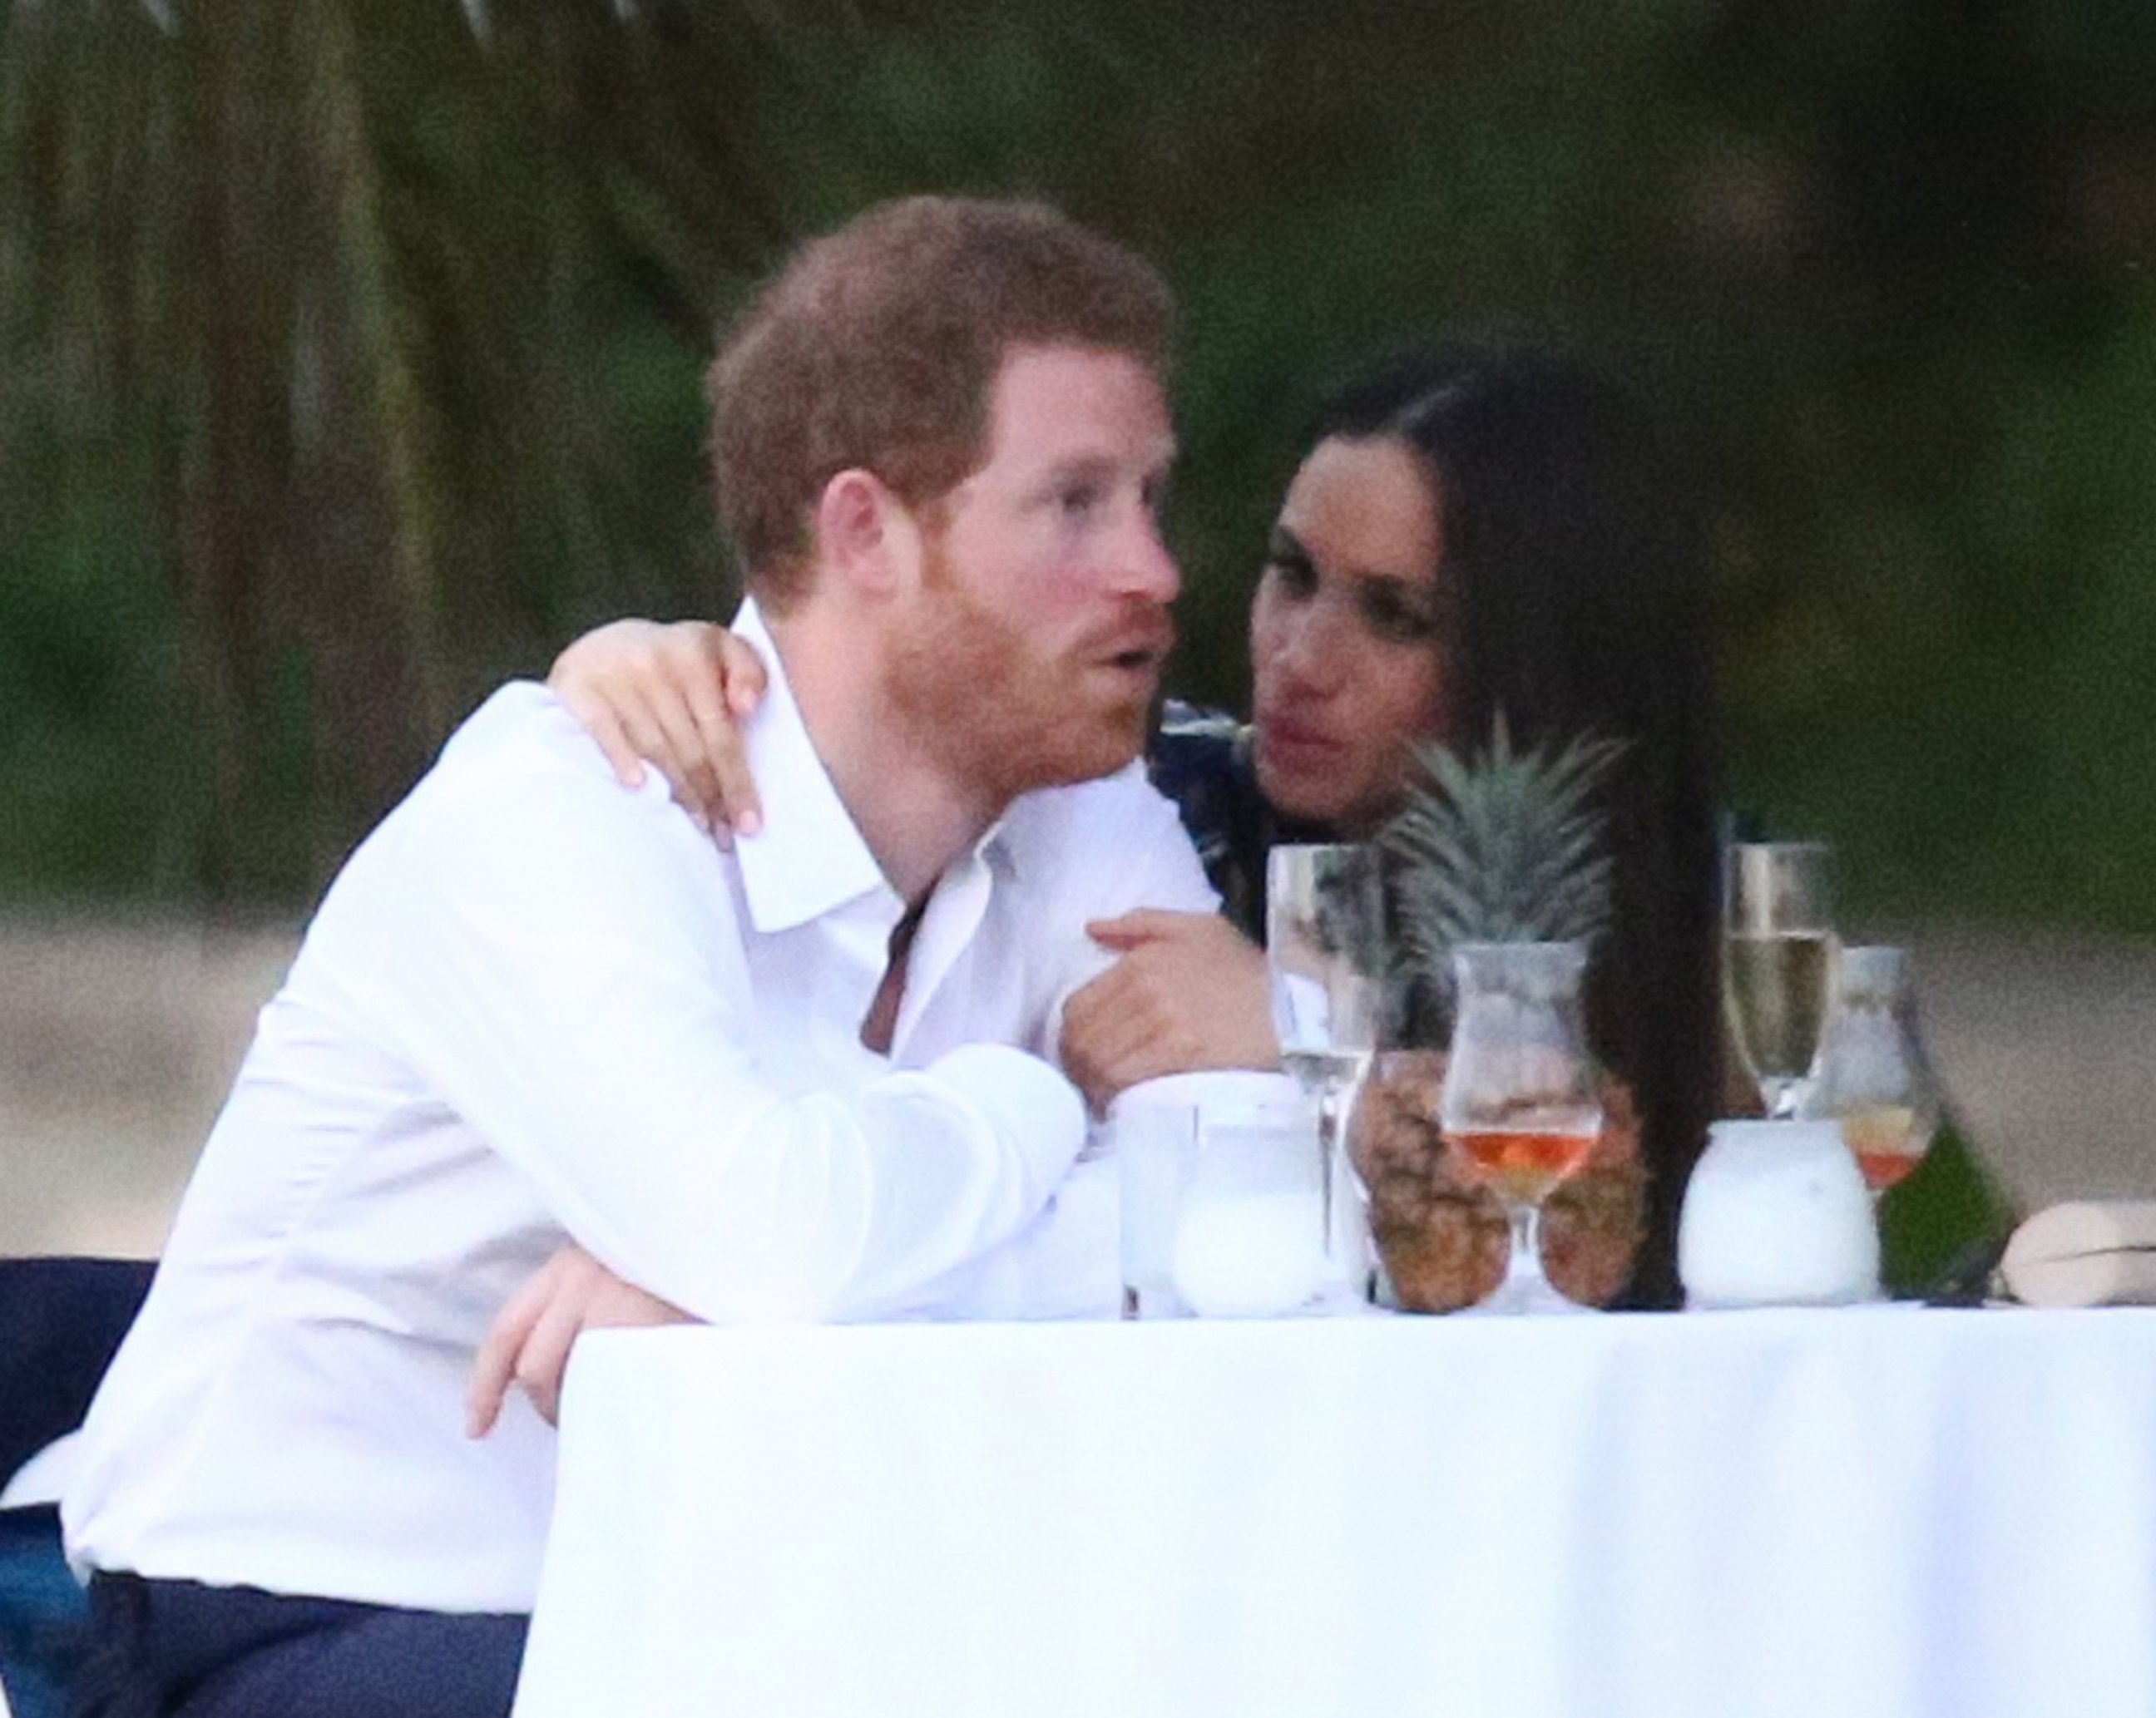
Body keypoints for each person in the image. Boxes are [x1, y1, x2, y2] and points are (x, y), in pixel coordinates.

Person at [61, 194, 1217, 1718]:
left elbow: (1226, 1227)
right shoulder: (572, 800)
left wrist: (774, 1281)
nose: (1155, 569)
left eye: (1152, 497)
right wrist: (1043, 1102)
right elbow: (781, 1237)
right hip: (310, 1612)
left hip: (712, 1605)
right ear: (866, 529)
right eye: (1074, 503)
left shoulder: (1082, 809)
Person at [539, 346, 1723, 1313]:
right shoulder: (1151, 793)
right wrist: (640, 667)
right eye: (1291, 573)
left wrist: (1301, 1027)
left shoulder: (1668, 905)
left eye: (1395, 616)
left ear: (1536, 656)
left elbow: (1634, 1245)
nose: (1302, 657)